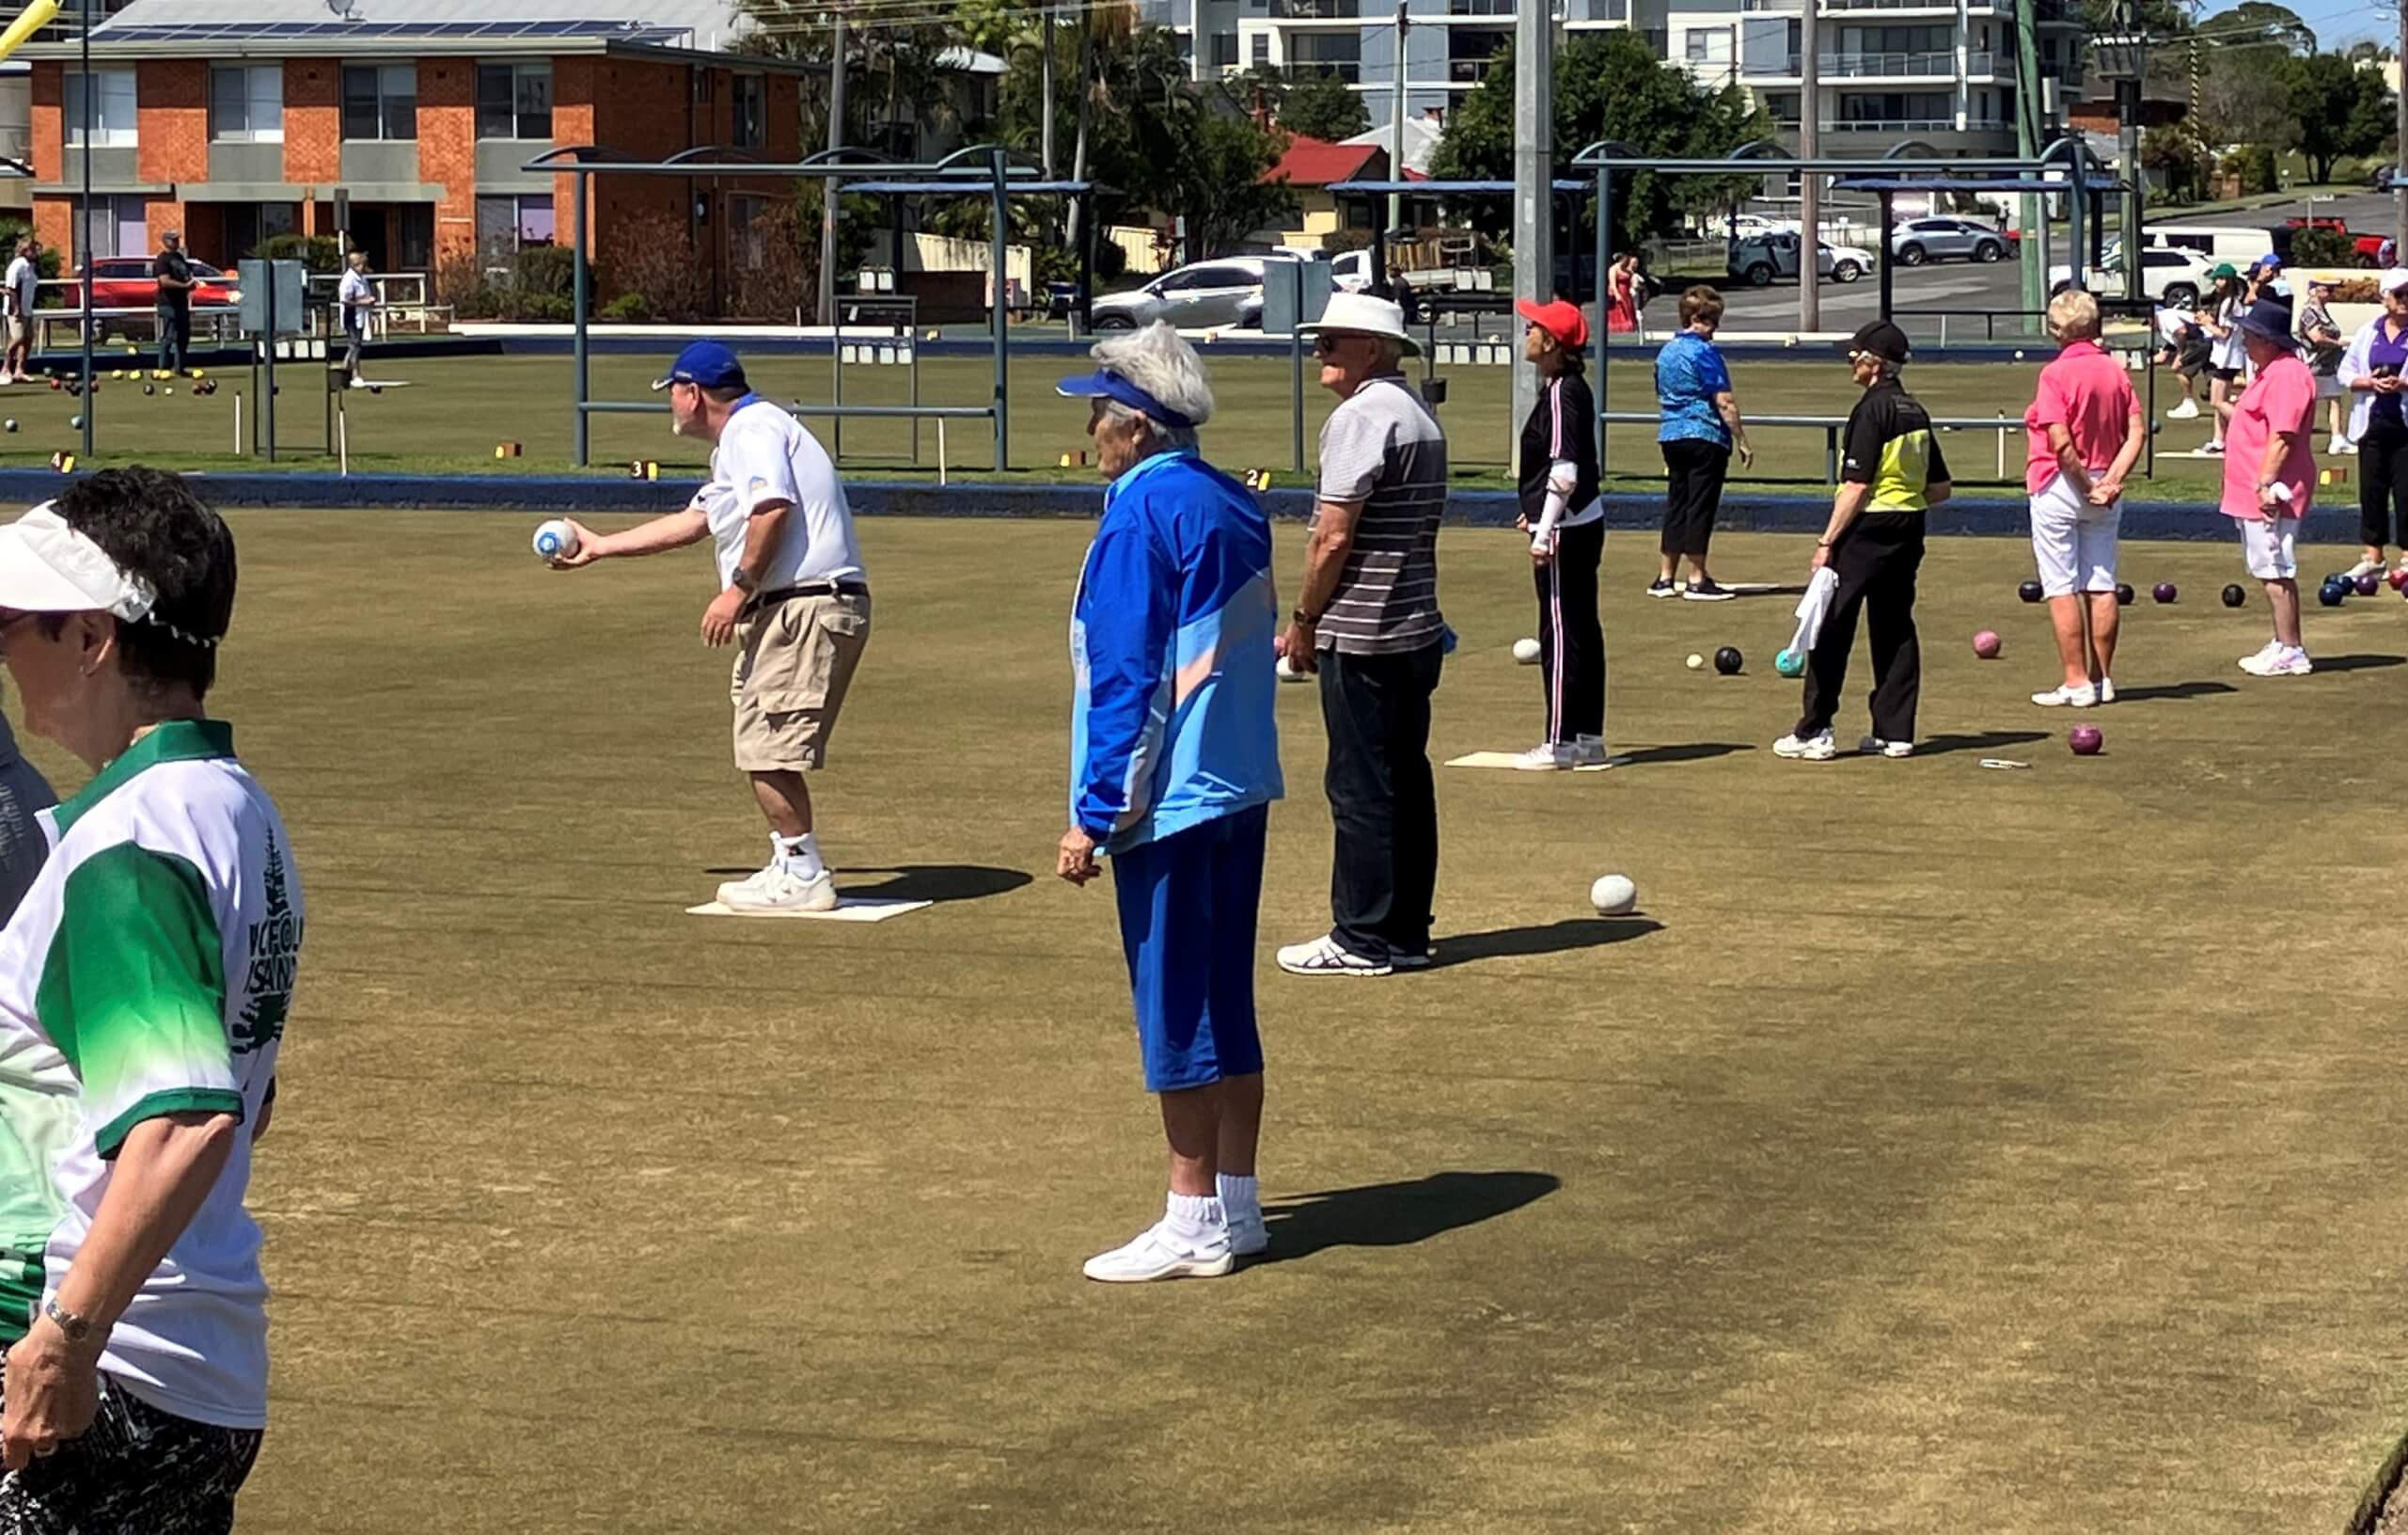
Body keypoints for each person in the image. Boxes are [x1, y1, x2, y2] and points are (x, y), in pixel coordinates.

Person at [0, 470, 297, 1530]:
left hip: (105, 1371)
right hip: (193, 1366)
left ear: (91, 640)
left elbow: (183, 1120)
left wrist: (60, 1344)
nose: (2, 652)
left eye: (17, 625)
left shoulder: (125, 844)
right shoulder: (232, 806)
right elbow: (248, 1092)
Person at [1052, 322, 1283, 1283]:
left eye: (1101, 415)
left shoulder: (1140, 515)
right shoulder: (1231, 501)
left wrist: (1096, 813)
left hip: (1173, 797)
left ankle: (1190, 1218)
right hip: (1234, 782)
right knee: (1223, 995)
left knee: (1175, 1004)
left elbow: (1128, 680)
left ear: (1138, 427)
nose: (1090, 433)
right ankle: (1235, 1203)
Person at [547, 341, 872, 911]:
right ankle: (789, 861)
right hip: (794, 607)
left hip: (800, 605)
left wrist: (736, 590)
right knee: (760, 743)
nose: (670, 405)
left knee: (767, 749)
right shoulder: (740, 445)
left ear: (693, 393)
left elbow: (773, 508)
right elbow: (697, 521)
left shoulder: (752, 431)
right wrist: (600, 547)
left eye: (672, 392)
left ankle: (803, 873)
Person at [1276, 293, 1446, 977]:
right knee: (1405, 778)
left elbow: (1331, 535)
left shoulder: (1360, 417)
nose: (1319, 352)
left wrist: (1302, 622)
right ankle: (1403, 931)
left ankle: (1360, 937)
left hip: (1365, 627)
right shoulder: (1417, 416)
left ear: (1371, 349)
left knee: (1359, 786)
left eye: (1332, 341)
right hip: (1413, 624)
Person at [1773, 320, 1951, 762]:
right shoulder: (1914, 409)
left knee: (1830, 625)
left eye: (1854, 356)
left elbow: (1856, 486)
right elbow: (1940, 488)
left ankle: (1816, 730)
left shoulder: (1872, 410)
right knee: (1894, 625)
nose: (1850, 363)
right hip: (1908, 526)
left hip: (1867, 527)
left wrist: (1826, 541)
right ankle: (1896, 732)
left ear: (1874, 364)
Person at [2022, 289, 2145, 709]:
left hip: (2060, 483)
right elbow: (2136, 434)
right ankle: (2102, 678)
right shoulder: (2116, 370)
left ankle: (2076, 681)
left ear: (2058, 331)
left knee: (2060, 585)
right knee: (2100, 580)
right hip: (2103, 483)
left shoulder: (2054, 375)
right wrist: (2111, 480)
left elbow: (2060, 442)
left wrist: (2089, 486)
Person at [1512, 297, 1605, 769]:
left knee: (1561, 631)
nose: (1525, 332)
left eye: (1533, 327)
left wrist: (1543, 531)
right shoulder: (1571, 387)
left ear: (1550, 342)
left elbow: (1564, 471)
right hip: (1582, 519)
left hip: (1568, 527)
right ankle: (1588, 736)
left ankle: (1561, 741)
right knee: (1582, 627)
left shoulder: (1560, 392)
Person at [2224, 297, 2319, 676]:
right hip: (2252, 488)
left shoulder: (2287, 375)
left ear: (2268, 340)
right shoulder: (2269, 372)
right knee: (2267, 567)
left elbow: (2283, 436)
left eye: (2250, 335)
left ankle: (2292, 649)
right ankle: (2282, 642)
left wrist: (2265, 483)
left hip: (2271, 489)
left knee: (2276, 568)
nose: (2245, 342)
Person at [1650, 284, 1754, 600]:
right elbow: (1724, 401)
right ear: (1696, 318)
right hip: (1704, 434)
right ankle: (1697, 578)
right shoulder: (1705, 353)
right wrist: (1742, 439)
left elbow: (1660, 390)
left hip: (1670, 434)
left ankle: (1665, 577)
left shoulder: (1665, 352)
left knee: (1677, 502)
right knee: (1700, 505)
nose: (1715, 327)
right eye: (1710, 320)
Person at [2337, 267, 2408, 583]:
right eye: (2400, 295)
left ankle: (2407, 557)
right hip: (2372, 424)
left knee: (2406, 493)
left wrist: (2403, 384)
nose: (2406, 301)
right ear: (2385, 299)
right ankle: (2374, 557)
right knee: (2372, 492)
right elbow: (2345, 371)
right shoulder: (2369, 332)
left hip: (2404, 426)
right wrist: (2366, 382)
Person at [2198, 263, 2248, 454]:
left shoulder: (2230, 303)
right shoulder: (2228, 302)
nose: (2216, 283)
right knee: (2220, 401)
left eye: (2219, 279)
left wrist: (2206, 324)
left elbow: (2224, 333)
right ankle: (2219, 440)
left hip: (2228, 357)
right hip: (2224, 356)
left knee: (2218, 401)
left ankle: (2247, 429)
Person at [2297, 275, 2350, 456]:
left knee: (2335, 398)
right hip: (2313, 364)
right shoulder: (2309, 312)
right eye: (2326, 289)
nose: (2330, 293)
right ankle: (2298, 440)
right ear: (2314, 291)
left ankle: (2337, 439)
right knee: (2307, 404)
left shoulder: (2322, 311)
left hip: (2328, 365)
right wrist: (2338, 344)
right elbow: (2316, 337)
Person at [2156, 304, 2210, 421]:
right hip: (2207, 339)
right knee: (2216, 378)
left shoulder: (2165, 316)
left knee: (2181, 370)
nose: (2150, 326)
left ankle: (2189, 405)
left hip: (2198, 341)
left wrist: (2180, 355)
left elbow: (2182, 331)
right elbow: (2168, 348)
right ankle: (2247, 388)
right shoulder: (2171, 315)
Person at [151, 230, 194, 378]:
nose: (176, 242)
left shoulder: (179, 257)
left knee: (183, 336)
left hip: (181, 302)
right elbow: (164, 281)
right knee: (169, 335)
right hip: (168, 303)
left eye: (177, 239)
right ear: (166, 241)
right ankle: (162, 367)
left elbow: (186, 275)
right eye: (173, 240)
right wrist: (185, 286)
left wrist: (191, 283)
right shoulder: (162, 260)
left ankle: (180, 368)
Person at [338, 251, 378, 388]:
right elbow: (345, 300)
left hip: (361, 316)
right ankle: (355, 375)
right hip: (351, 316)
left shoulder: (362, 278)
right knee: (355, 345)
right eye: (360, 264)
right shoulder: (349, 279)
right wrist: (365, 301)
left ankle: (343, 373)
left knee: (355, 345)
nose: (363, 266)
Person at [3, 239, 38, 387]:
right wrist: (16, 308)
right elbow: (11, 289)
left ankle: (19, 370)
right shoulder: (17, 265)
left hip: (27, 309)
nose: (35, 252)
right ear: (25, 251)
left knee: (28, 339)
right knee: (18, 338)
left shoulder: (30, 266)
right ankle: (4, 368)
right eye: (32, 249)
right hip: (15, 309)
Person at [1606, 252, 1642, 333]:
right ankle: (1619, 328)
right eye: (1625, 261)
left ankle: (1630, 327)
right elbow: (1612, 284)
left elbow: (1632, 276)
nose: (1626, 263)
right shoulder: (1613, 269)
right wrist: (1617, 294)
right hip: (1618, 292)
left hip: (1626, 293)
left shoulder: (1626, 269)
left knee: (1628, 309)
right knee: (1620, 311)